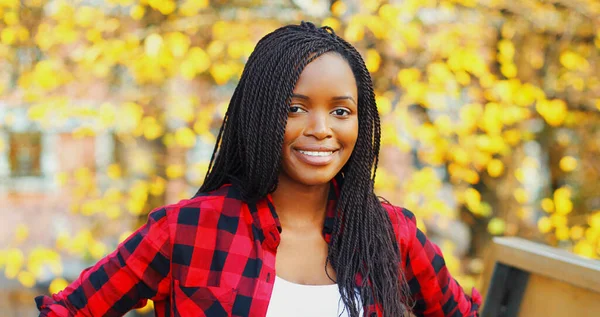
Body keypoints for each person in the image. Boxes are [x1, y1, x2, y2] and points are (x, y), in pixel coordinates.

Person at [35, 21, 481, 317]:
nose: (321, 129)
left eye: (341, 111)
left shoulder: (389, 233)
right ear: (261, 114)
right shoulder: (187, 230)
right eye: (295, 108)